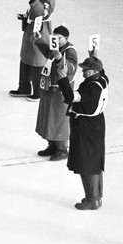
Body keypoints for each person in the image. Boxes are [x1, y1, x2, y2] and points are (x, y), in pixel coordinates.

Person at [58, 55, 109, 210]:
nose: (82, 72)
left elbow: (70, 96)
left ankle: (92, 199)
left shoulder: (91, 87)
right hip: (97, 123)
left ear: (93, 71)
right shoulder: (102, 80)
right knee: (94, 161)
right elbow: (103, 70)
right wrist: (94, 54)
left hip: (86, 126)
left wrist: (62, 79)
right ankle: (96, 196)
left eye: (85, 70)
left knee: (87, 163)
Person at [9, 0, 55, 101]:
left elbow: (43, 13)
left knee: (36, 61)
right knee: (25, 59)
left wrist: (34, 0)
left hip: (40, 31)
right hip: (31, 29)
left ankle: (38, 91)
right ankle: (23, 87)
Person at [33, 25, 78, 161]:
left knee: (59, 120)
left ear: (66, 38)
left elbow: (71, 68)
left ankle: (62, 149)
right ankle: (52, 144)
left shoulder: (70, 51)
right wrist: (40, 40)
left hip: (60, 92)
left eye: (59, 38)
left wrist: (59, 58)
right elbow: (48, 52)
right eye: (55, 37)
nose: (56, 40)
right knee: (49, 118)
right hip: (50, 88)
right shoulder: (56, 48)